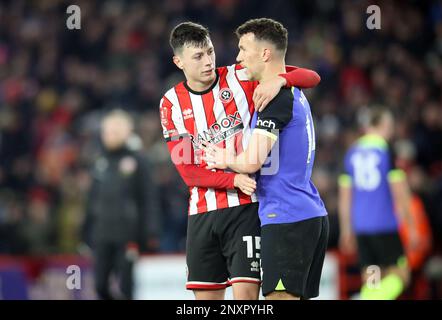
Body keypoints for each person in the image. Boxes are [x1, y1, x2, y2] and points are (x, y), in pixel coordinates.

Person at [159, 21, 320, 300]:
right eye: (198, 56)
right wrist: (233, 178)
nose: (209, 61)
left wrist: (282, 79)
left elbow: (311, 77)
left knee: (246, 299)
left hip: (246, 208)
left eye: (210, 52)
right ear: (179, 61)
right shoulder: (170, 103)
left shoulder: (239, 76)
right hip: (202, 213)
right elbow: (189, 173)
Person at [203, 18, 329, 300]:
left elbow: (252, 162)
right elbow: (312, 76)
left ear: (265, 53)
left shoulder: (277, 97)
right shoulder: (289, 90)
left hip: (287, 217)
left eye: (243, 48)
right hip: (305, 213)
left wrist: (223, 157)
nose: (238, 57)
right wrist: (283, 78)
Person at [338, 106, 419, 300]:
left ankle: (369, 296)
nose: (391, 131)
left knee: (372, 277)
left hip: (362, 226)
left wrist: (346, 229)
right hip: (385, 224)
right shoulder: (386, 150)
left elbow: (345, 198)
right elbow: (401, 193)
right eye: (389, 126)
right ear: (382, 125)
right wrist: (412, 226)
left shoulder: (351, 153)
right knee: (401, 274)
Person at [83, 109, 161, 300]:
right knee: (100, 285)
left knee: (126, 286)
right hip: (101, 233)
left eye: (115, 131)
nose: (110, 136)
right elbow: (92, 199)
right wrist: (85, 231)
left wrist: (150, 231)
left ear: (127, 133)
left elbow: (148, 198)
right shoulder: (99, 161)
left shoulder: (138, 161)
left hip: (128, 233)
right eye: (107, 131)